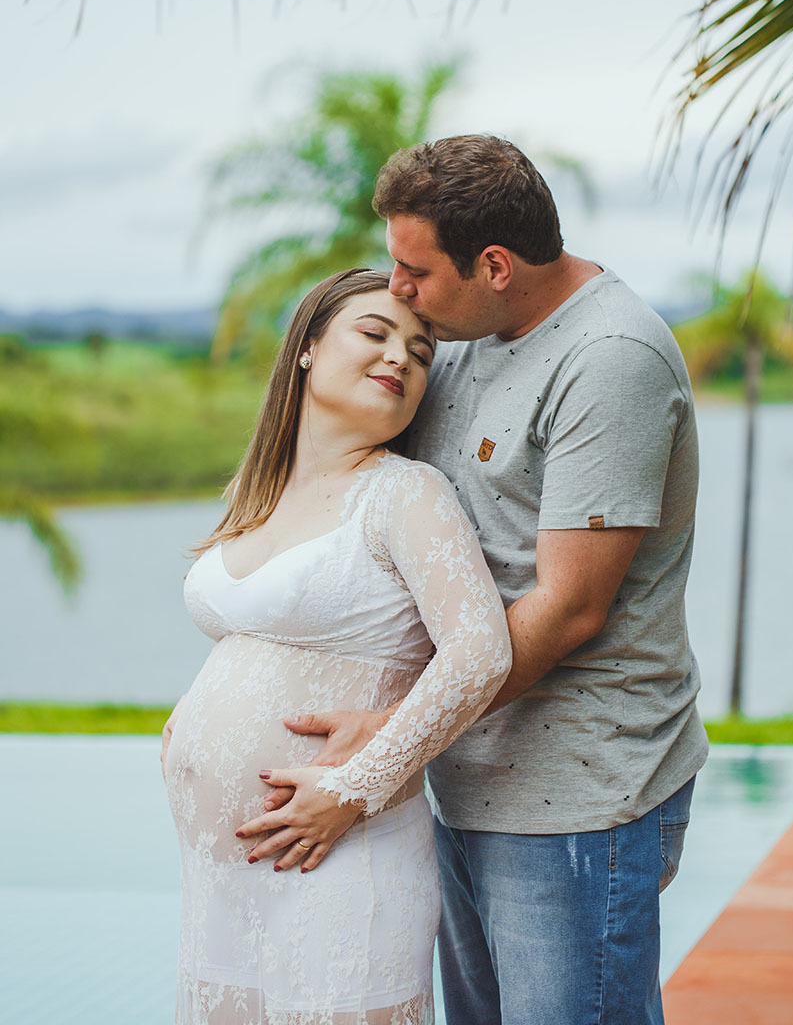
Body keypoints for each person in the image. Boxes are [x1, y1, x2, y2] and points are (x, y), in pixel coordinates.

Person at [266, 136, 709, 1025]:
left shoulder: (610, 358)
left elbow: (569, 608)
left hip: (576, 792)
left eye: (415, 271)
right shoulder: (466, 338)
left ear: (495, 266)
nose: (398, 289)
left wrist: (392, 735)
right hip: (461, 769)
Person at [161, 267, 512, 1025]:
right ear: (308, 348)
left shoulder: (406, 492)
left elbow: (479, 655)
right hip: (221, 879)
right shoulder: (258, 498)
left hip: (342, 859)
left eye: (420, 353)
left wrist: (354, 788)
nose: (400, 357)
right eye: (375, 333)